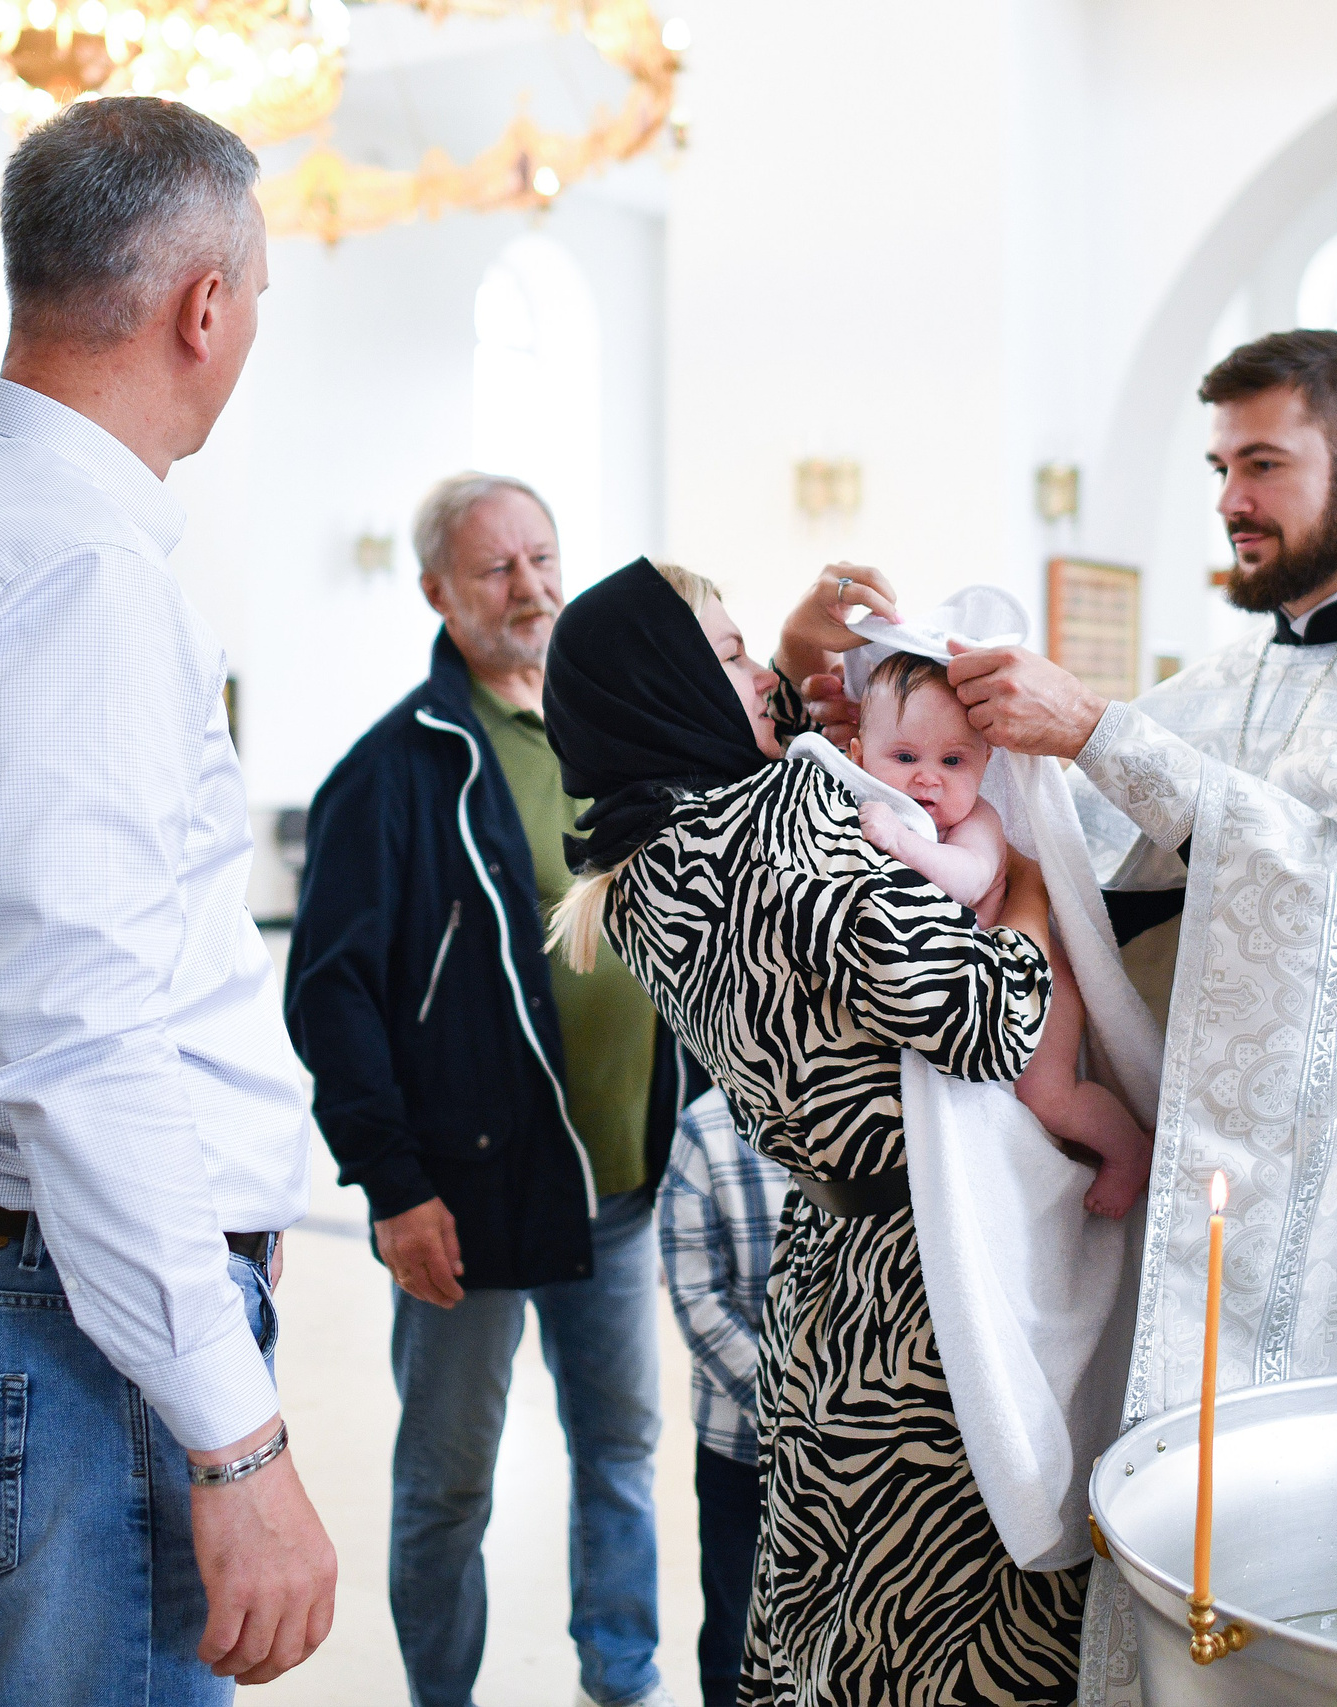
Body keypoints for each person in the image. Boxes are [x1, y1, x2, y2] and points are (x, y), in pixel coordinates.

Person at [939, 330, 1337, 1705]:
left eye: (1266, 462)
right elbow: (1075, 813)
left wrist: (1096, 728)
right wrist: (915, 718)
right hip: (1242, 1196)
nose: (1233, 495)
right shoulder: (1235, 679)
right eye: (1222, 465)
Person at [0, 97, 334, 1704]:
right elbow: (88, 1037)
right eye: (253, 297)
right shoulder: (83, 571)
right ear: (203, 305)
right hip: (81, 1328)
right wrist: (236, 1431)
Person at [543, 558, 1086, 1706]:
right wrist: (1034, 888)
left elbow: (792, 760)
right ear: (670, 689)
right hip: (925, 1293)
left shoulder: (642, 864)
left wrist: (786, 660)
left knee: (837, 1605)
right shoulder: (769, 835)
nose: (770, 680)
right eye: (732, 657)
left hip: (833, 1273)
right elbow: (988, 1016)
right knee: (950, 1622)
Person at [284, 473, 690, 1707]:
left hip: (617, 1186)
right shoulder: (398, 771)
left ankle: (619, 1679)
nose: (530, 588)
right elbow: (330, 997)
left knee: (619, 1452)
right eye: (497, 569)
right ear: (438, 595)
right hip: (468, 1202)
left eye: (542, 558)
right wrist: (395, 1187)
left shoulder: (611, 730)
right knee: (450, 1481)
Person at [849, 650, 1153, 1217]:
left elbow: (967, 880)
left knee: (1048, 1096)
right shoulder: (862, 812)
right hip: (981, 1000)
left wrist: (901, 842)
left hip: (1039, 986)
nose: (928, 777)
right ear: (858, 757)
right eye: (906, 755)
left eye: (954, 761)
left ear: (985, 766)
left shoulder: (974, 822)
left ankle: (1129, 1152)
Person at [655, 1086, 790, 1707]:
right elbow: (696, 1299)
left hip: (847, 1447)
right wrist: (796, 1406)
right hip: (739, 1447)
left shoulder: (878, 1109)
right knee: (735, 1624)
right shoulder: (706, 1129)